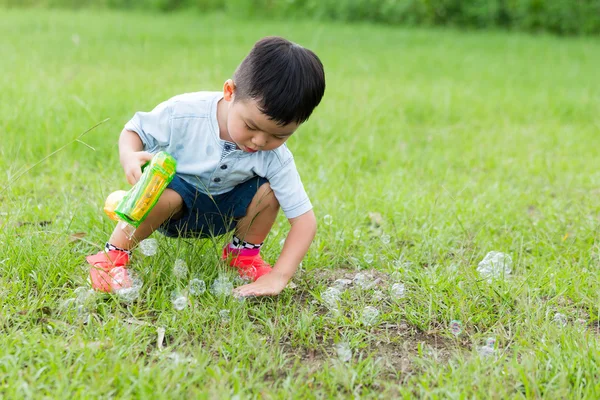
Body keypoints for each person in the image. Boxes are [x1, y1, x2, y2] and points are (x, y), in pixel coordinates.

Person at [86, 36, 326, 297]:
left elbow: (305, 222)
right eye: (251, 126)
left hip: (222, 213)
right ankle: (112, 257)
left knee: (268, 193)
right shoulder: (186, 113)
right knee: (168, 191)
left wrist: (279, 278)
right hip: (169, 208)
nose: (260, 141)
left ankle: (242, 257)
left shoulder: (276, 156)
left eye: (279, 136)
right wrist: (129, 155)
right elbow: (135, 129)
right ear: (230, 91)